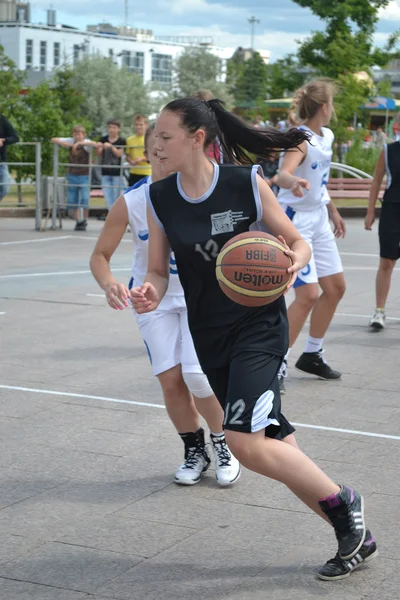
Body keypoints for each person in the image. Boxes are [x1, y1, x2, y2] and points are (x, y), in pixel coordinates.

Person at [129, 97, 376, 580]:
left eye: (165, 136)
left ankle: (346, 504)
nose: (155, 146)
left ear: (197, 139)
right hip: (209, 335)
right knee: (277, 443)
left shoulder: (244, 183)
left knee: (243, 440)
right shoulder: (159, 197)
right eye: (154, 137)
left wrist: (296, 262)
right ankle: (355, 535)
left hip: (260, 329)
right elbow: (158, 273)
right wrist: (147, 293)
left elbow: (297, 240)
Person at [90, 122, 241, 487]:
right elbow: (99, 255)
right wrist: (110, 283)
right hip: (152, 300)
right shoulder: (131, 201)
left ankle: (224, 444)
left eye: (166, 145)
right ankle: (194, 449)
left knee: (197, 375)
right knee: (171, 381)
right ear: (147, 153)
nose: (161, 153)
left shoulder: (201, 192)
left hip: (197, 297)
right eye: (154, 148)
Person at [277, 80, 346, 392]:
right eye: (332, 104)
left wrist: (332, 211)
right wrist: (292, 182)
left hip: (318, 217)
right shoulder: (299, 139)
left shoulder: (326, 136)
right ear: (323, 107)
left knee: (335, 288)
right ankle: (276, 363)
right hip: (295, 221)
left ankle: (313, 353)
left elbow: (319, 179)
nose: (333, 109)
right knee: (307, 295)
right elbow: (282, 174)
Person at [365, 139, 400, 329]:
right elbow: (377, 181)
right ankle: (379, 311)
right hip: (392, 210)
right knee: (386, 261)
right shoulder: (389, 150)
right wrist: (370, 211)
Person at [51, 126, 97, 231]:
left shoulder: (86, 142)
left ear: (83, 135)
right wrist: (72, 145)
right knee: (73, 200)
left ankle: (85, 219)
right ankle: (77, 221)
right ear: (73, 135)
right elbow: (54, 139)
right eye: (76, 134)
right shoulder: (71, 141)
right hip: (72, 174)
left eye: (80, 134)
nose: (78, 136)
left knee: (85, 198)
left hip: (84, 175)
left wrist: (80, 144)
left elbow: (95, 144)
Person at [96, 119, 126, 216]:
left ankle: (114, 218)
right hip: (105, 171)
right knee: (108, 197)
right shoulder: (103, 139)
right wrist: (99, 147)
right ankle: (112, 217)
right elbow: (98, 153)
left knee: (116, 197)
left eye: (114, 127)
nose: (111, 130)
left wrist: (111, 146)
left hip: (117, 172)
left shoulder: (121, 140)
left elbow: (119, 154)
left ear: (118, 129)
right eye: (109, 127)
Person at [126, 114, 151, 187]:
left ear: (146, 125)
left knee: (146, 196)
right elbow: (127, 155)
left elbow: (155, 155)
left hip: (146, 172)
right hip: (133, 172)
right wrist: (131, 161)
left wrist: (142, 159)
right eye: (136, 125)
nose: (138, 127)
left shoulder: (150, 139)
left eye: (141, 124)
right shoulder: (129, 140)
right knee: (131, 196)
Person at [0, 114, 19, 202]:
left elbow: (15, 137)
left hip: (1, 161)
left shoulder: (2, 119)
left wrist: (3, 140)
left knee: (5, 188)